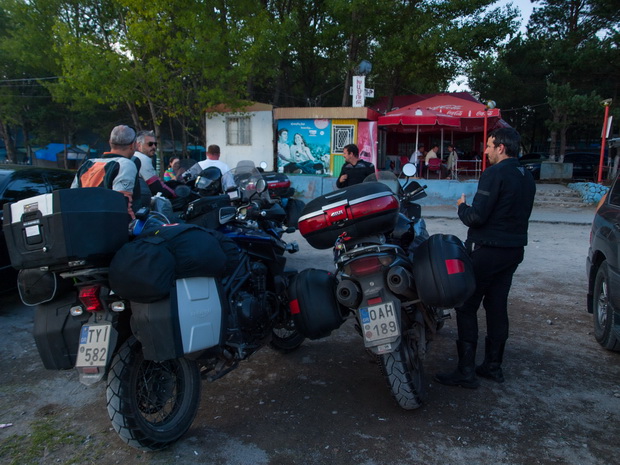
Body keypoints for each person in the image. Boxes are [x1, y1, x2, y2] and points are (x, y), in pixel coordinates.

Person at [434, 128, 536, 389]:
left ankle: (466, 371)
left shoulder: (494, 173)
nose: (487, 151)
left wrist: (461, 206)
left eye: (490, 146)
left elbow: (476, 217)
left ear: (501, 147)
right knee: (497, 305)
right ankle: (493, 366)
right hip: (513, 251)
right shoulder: (527, 176)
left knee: (466, 306)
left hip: (488, 250)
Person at [71, 125, 142, 218]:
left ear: (110, 143)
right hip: (109, 227)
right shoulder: (125, 164)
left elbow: (71, 197)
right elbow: (122, 204)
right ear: (133, 145)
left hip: (82, 224)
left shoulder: (87, 164)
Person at [133, 130, 176, 199]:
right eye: (150, 144)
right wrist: (175, 194)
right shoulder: (142, 159)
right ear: (139, 145)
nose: (154, 147)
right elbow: (156, 186)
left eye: (155, 144)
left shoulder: (134, 156)